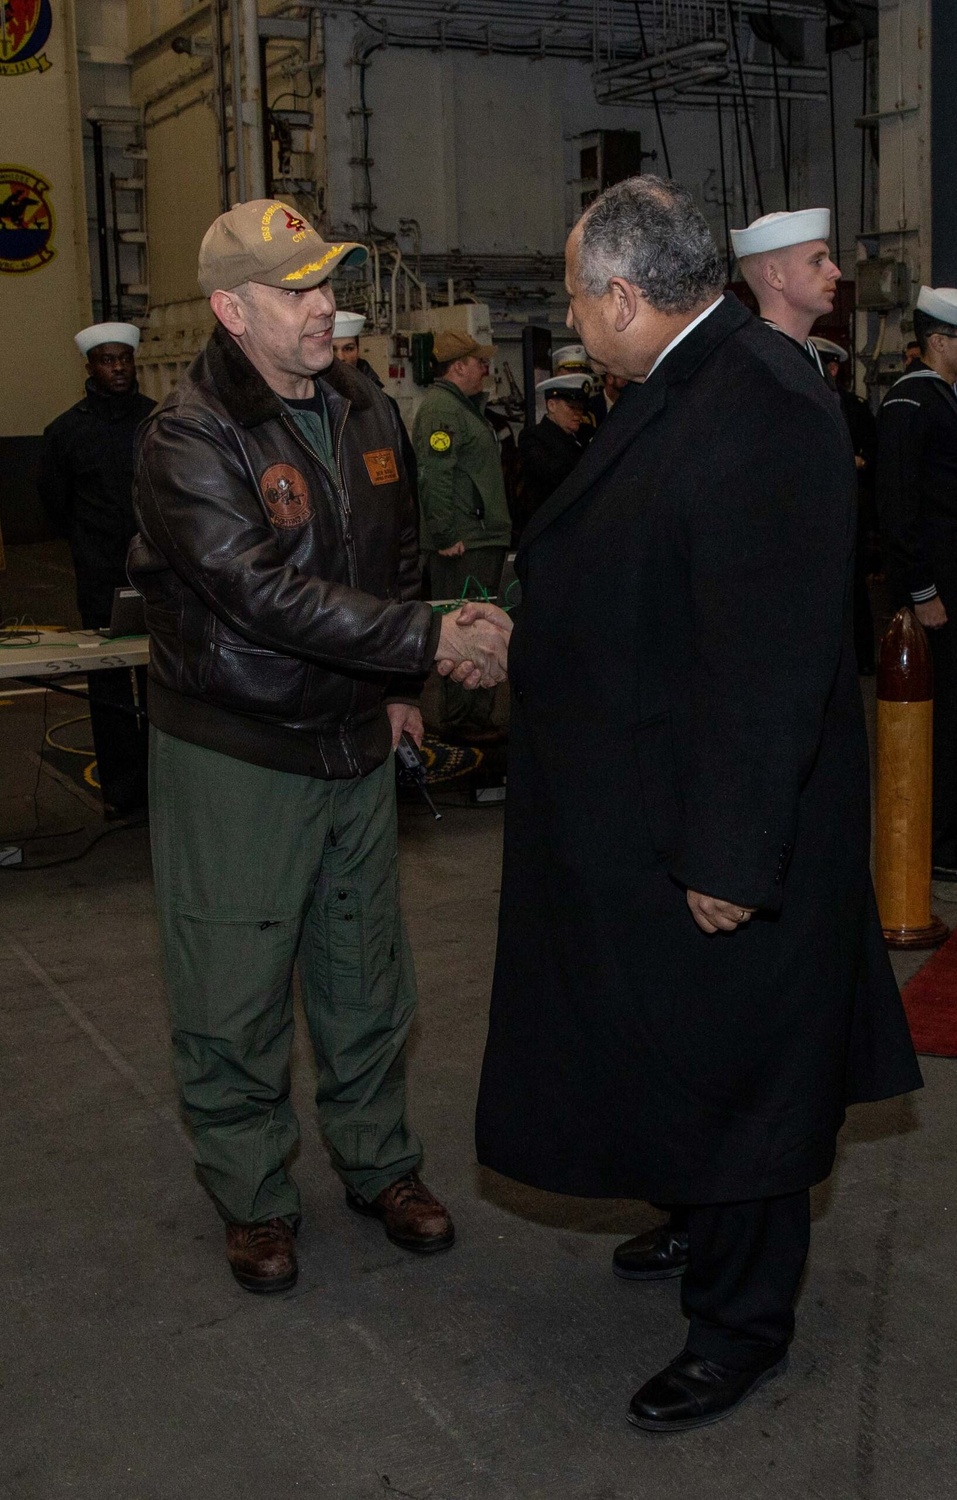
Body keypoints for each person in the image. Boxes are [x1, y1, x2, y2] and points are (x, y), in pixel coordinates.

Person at [471, 175, 921, 1432]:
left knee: (746, 1083)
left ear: (622, 295)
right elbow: (649, 577)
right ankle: (696, 1219)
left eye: (574, 294)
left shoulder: (760, 400)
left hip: (726, 831)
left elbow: (769, 659)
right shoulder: (690, 379)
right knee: (683, 1053)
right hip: (657, 810)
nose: (573, 317)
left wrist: (733, 855)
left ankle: (741, 1328)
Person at [128, 199, 510, 1294]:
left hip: (349, 732)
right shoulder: (188, 433)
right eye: (297, 291)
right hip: (239, 747)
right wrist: (432, 642)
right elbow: (258, 594)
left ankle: (380, 1165)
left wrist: (396, 684)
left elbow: (386, 557)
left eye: (325, 285)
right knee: (234, 986)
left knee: (364, 973)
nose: (324, 308)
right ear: (229, 308)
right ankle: (252, 1197)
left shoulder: (359, 403)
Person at [877, 284, 957, 882]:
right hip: (935, 595)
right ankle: (929, 842)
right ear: (939, 343)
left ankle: (949, 835)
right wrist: (921, 593)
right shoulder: (910, 403)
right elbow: (898, 510)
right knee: (934, 722)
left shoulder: (955, 397)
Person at [37, 322, 155, 819]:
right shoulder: (66, 432)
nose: (118, 368)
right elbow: (54, 504)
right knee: (108, 682)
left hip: (156, 570)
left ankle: (163, 785)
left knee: (161, 678)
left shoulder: (158, 420)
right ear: (90, 367)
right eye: (108, 360)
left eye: (124, 359)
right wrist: (93, 542)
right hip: (99, 573)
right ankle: (122, 793)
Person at [411, 330, 511, 743]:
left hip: (477, 538)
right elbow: (435, 475)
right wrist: (445, 532)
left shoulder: (459, 408)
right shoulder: (441, 409)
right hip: (462, 542)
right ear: (458, 367)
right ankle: (458, 725)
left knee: (480, 630)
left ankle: (476, 719)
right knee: (462, 632)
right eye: (479, 363)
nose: (485, 370)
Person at [814, 337, 879, 674]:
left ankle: (863, 661)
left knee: (854, 591)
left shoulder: (852, 406)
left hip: (851, 509)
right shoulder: (805, 401)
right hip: (818, 514)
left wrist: (856, 461)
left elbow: (873, 453)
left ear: (834, 368)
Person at [731, 208, 841, 381]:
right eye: (817, 261)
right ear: (774, 277)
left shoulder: (800, 355)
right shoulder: (757, 365)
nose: (835, 272)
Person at [328, 308, 417, 495]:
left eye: (348, 348)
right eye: (333, 349)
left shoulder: (383, 404)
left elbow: (406, 470)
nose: (341, 357)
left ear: (358, 351)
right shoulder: (313, 404)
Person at [515, 373, 592, 531]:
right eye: (571, 406)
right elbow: (554, 473)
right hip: (551, 526)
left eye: (580, 407)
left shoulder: (584, 436)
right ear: (551, 405)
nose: (578, 413)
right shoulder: (533, 437)